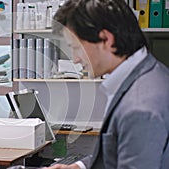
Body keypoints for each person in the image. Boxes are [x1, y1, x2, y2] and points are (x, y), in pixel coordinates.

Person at [47, 0, 169, 168]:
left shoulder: (139, 108)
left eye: (76, 47)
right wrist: (79, 167)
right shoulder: (151, 72)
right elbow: (119, 153)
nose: (75, 59)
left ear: (106, 39)